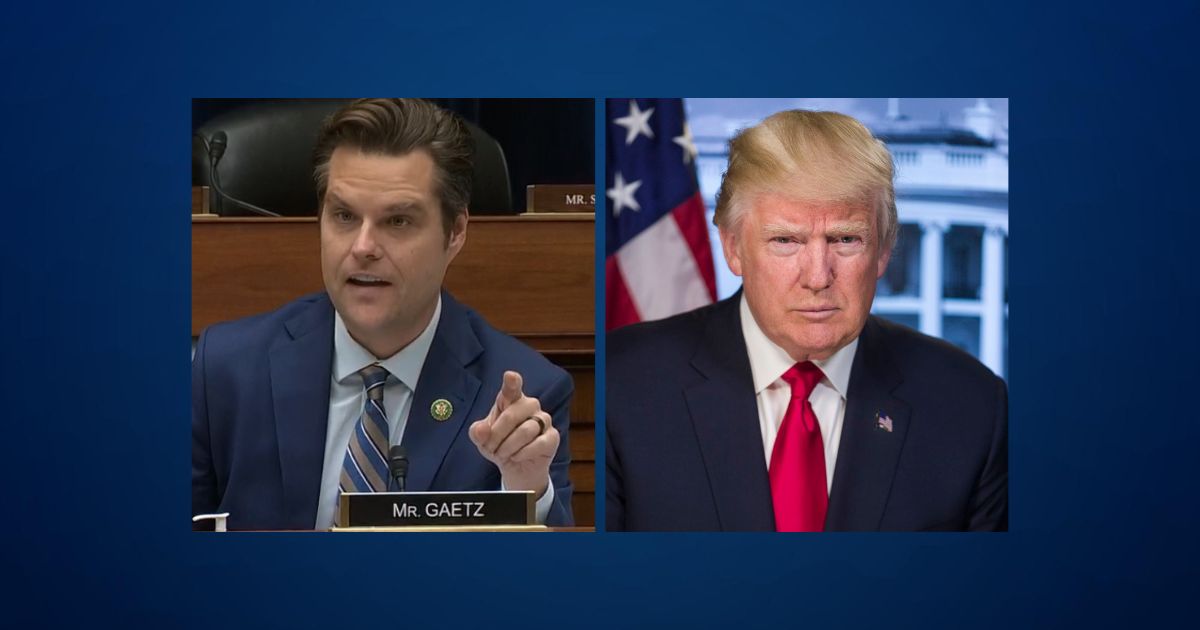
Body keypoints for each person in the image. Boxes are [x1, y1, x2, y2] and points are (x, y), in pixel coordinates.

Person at [606, 110, 1007, 532]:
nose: (818, 277)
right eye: (786, 240)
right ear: (733, 248)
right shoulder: (623, 386)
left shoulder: (972, 409)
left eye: (845, 239)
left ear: (884, 250)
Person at [192, 98, 573, 530]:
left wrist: (524, 490)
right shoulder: (226, 371)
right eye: (344, 216)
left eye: (397, 221)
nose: (363, 248)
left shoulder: (523, 395)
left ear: (456, 233)